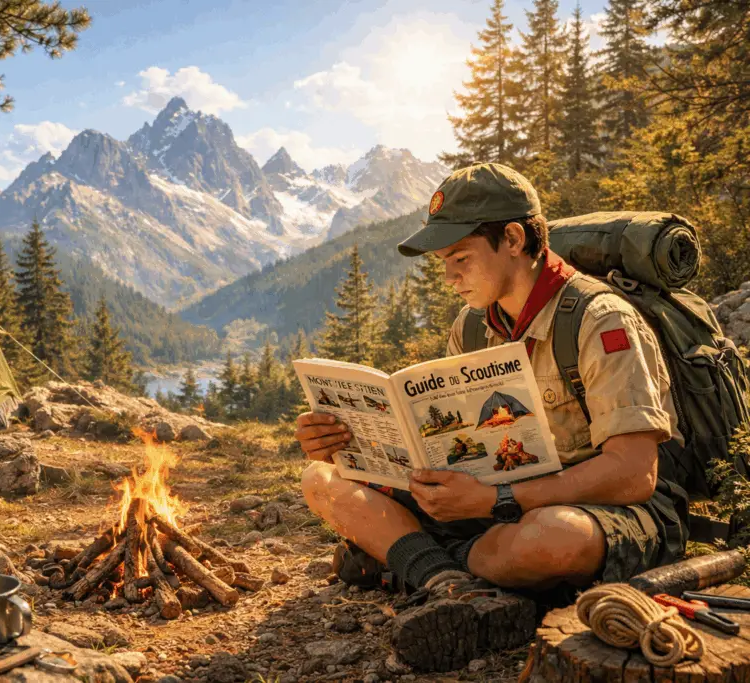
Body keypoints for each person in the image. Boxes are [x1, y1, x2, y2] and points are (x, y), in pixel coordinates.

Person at [296, 163, 690, 671]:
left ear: (512, 238)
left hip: (594, 508)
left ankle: (413, 559)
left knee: (551, 537)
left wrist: (498, 499)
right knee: (321, 478)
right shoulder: (474, 327)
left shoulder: (601, 320)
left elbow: (635, 474)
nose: (450, 276)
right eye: (443, 261)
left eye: (460, 257)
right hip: (490, 506)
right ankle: (450, 580)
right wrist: (349, 444)